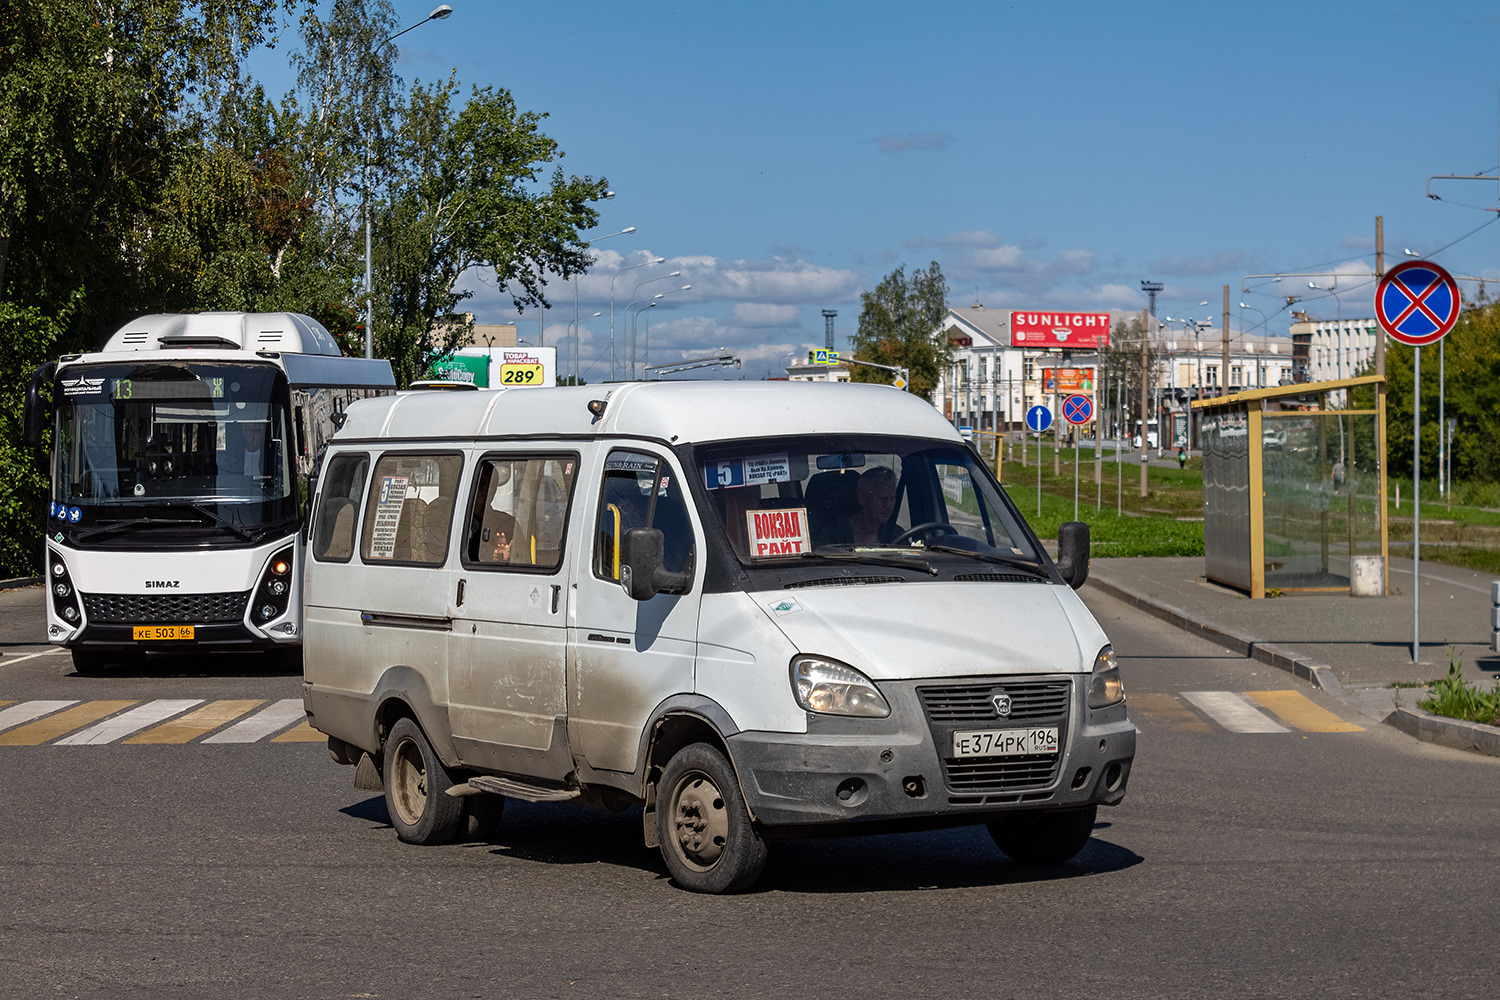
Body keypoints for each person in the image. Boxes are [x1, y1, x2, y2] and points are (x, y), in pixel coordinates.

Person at [848, 466, 899, 545]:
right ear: (862, 498)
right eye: (883, 499)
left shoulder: (896, 534)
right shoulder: (836, 533)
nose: (888, 506)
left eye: (892, 498)